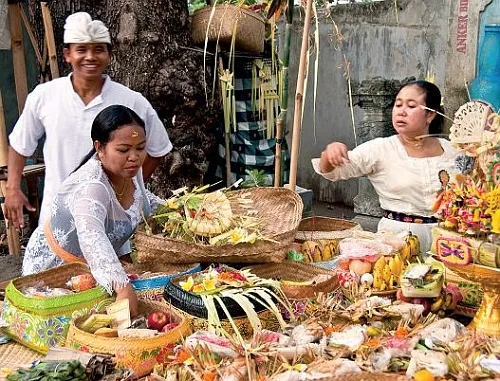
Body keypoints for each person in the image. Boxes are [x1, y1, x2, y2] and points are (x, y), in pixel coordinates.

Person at [6, 12, 172, 231]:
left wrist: (127, 184)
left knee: (113, 263)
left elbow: (158, 149)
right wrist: (12, 189)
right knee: (59, 264)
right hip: (58, 217)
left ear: (109, 55)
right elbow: (20, 144)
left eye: (99, 49)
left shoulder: (132, 101)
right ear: (67, 55)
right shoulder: (45, 96)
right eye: (81, 49)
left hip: (115, 220)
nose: (90, 57)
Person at [22, 105, 165, 316]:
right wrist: (122, 286)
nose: (134, 156)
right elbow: (92, 237)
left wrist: (176, 210)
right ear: (99, 148)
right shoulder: (92, 186)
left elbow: (144, 201)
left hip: (101, 266)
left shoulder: (130, 171)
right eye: (124, 150)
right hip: (58, 271)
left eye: (141, 147)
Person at [313, 80, 459, 253]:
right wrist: (330, 154)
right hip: (397, 242)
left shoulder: (453, 150)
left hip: (449, 241)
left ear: (430, 115)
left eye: (411, 106)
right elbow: (334, 170)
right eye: (398, 105)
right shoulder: (381, 149)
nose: (401, 112)